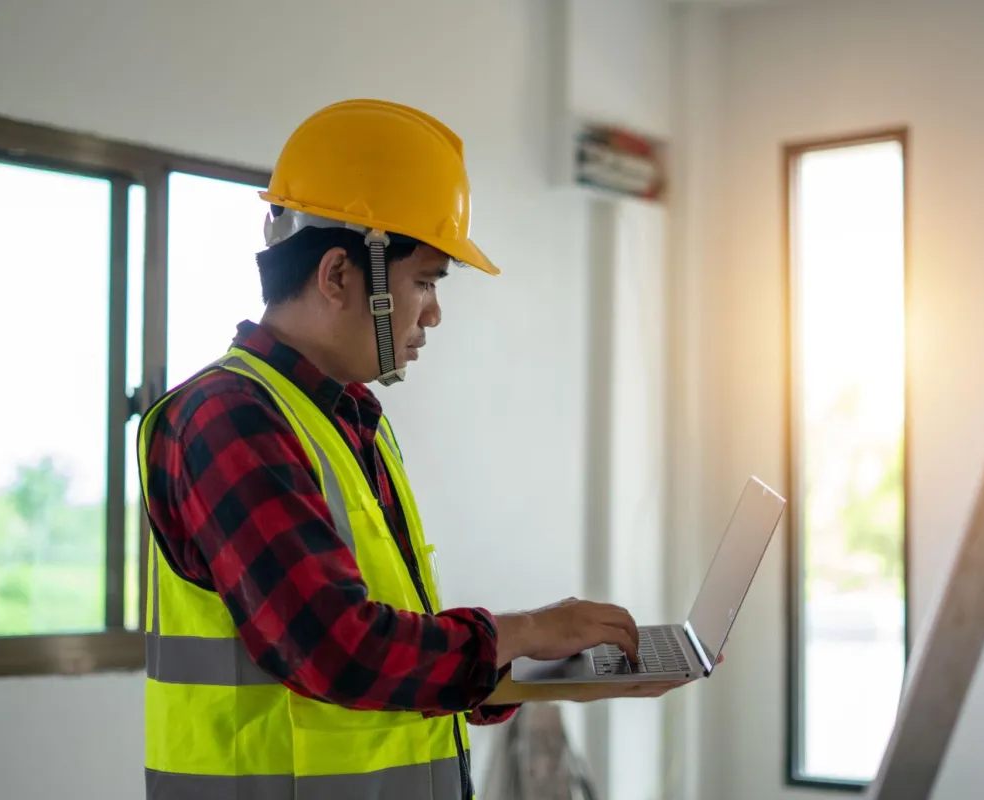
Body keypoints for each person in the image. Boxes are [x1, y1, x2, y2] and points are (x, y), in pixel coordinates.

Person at [136, 99, 693, 800]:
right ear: (340, 276)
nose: (433, 311)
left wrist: (546, 670)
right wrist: (522, 629)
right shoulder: (228, 419)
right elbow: (338, 649)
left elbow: (392, 654)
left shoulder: (349, 418)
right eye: (424, 280)